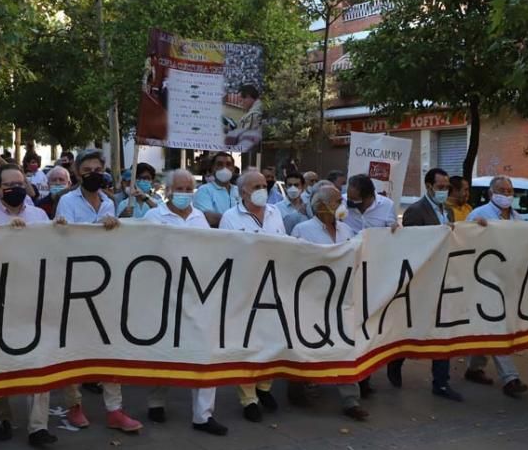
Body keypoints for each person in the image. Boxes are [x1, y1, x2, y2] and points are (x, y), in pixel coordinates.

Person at [55, 149, 144, 433]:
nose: (93, 173)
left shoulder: (109, 202)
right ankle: (74, 405)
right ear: (78, 173)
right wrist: (98, 227)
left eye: (98, 168)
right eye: (87, 169)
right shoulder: (67, 201)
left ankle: (114, 409)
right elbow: (65, 238)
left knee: (110, 345)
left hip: (105, 284)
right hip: (74, 284)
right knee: (73, 347)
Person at [0, 164, 58, 447]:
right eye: (9, 185)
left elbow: (51, 250)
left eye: (20, 183)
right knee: (0, 360)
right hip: (0, 298)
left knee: (40, 358)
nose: (16, 189)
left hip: (34, 294)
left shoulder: (39, 215)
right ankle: (3, 417)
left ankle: (38, 426)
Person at [141, 170, 228, 435]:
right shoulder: (153, 217)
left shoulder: (199, 218)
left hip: (197, 292)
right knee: (163, 349)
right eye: (179, 188)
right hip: (163, 293)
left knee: (204, 350)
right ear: (168, 190)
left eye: (189, 188)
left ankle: (203, 415)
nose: (184, 193)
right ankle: (156, 400)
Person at [461, 176, 528, 397]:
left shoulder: (517, 218)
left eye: (509, 191)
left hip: (508, 281)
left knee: (487, 326)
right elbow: (462, 241)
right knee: (497, 326)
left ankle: (474, 368)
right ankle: (510, 378)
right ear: (490, 193)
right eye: (501, 190)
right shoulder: (478, 215)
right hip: (484, 280)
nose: (506, 194)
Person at [290, 184, 368, 421]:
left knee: (346, 346)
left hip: (343, 298)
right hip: (312, 299)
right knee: (311, 344)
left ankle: (350, 399)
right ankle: (305, 384)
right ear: (320, 206)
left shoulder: (347, 230)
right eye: (335, 201)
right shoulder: (302, 230)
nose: (340, 205)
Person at [388, 168, 463, 401]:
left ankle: (441, 382)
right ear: (429, 186)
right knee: (415, 328)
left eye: (447, 187)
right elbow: (412, 245)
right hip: (423, 279)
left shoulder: (448, 211)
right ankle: (396, 359)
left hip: (445, 277)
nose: (444, 191)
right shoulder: (415, 211)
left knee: (442, 330)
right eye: (440, 187)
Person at [219, 170, 285, 421]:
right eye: (256, 185)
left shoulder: (274, 212)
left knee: (270, 340)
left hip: (275, 287)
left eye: (264, 184)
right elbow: (228, 253)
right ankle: (249, 398)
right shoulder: (230, 218)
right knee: (247, 344)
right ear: (243, 191)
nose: (262, 188)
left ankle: (264, 386)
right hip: (245, 290)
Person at [194, 152, 240, 227]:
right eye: (220, 164)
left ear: (233, 169)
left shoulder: (239, 191)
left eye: (228, 164)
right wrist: (240, 221)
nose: (224, 168)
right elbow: (210, 218)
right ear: (213, 168)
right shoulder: (204, 190)